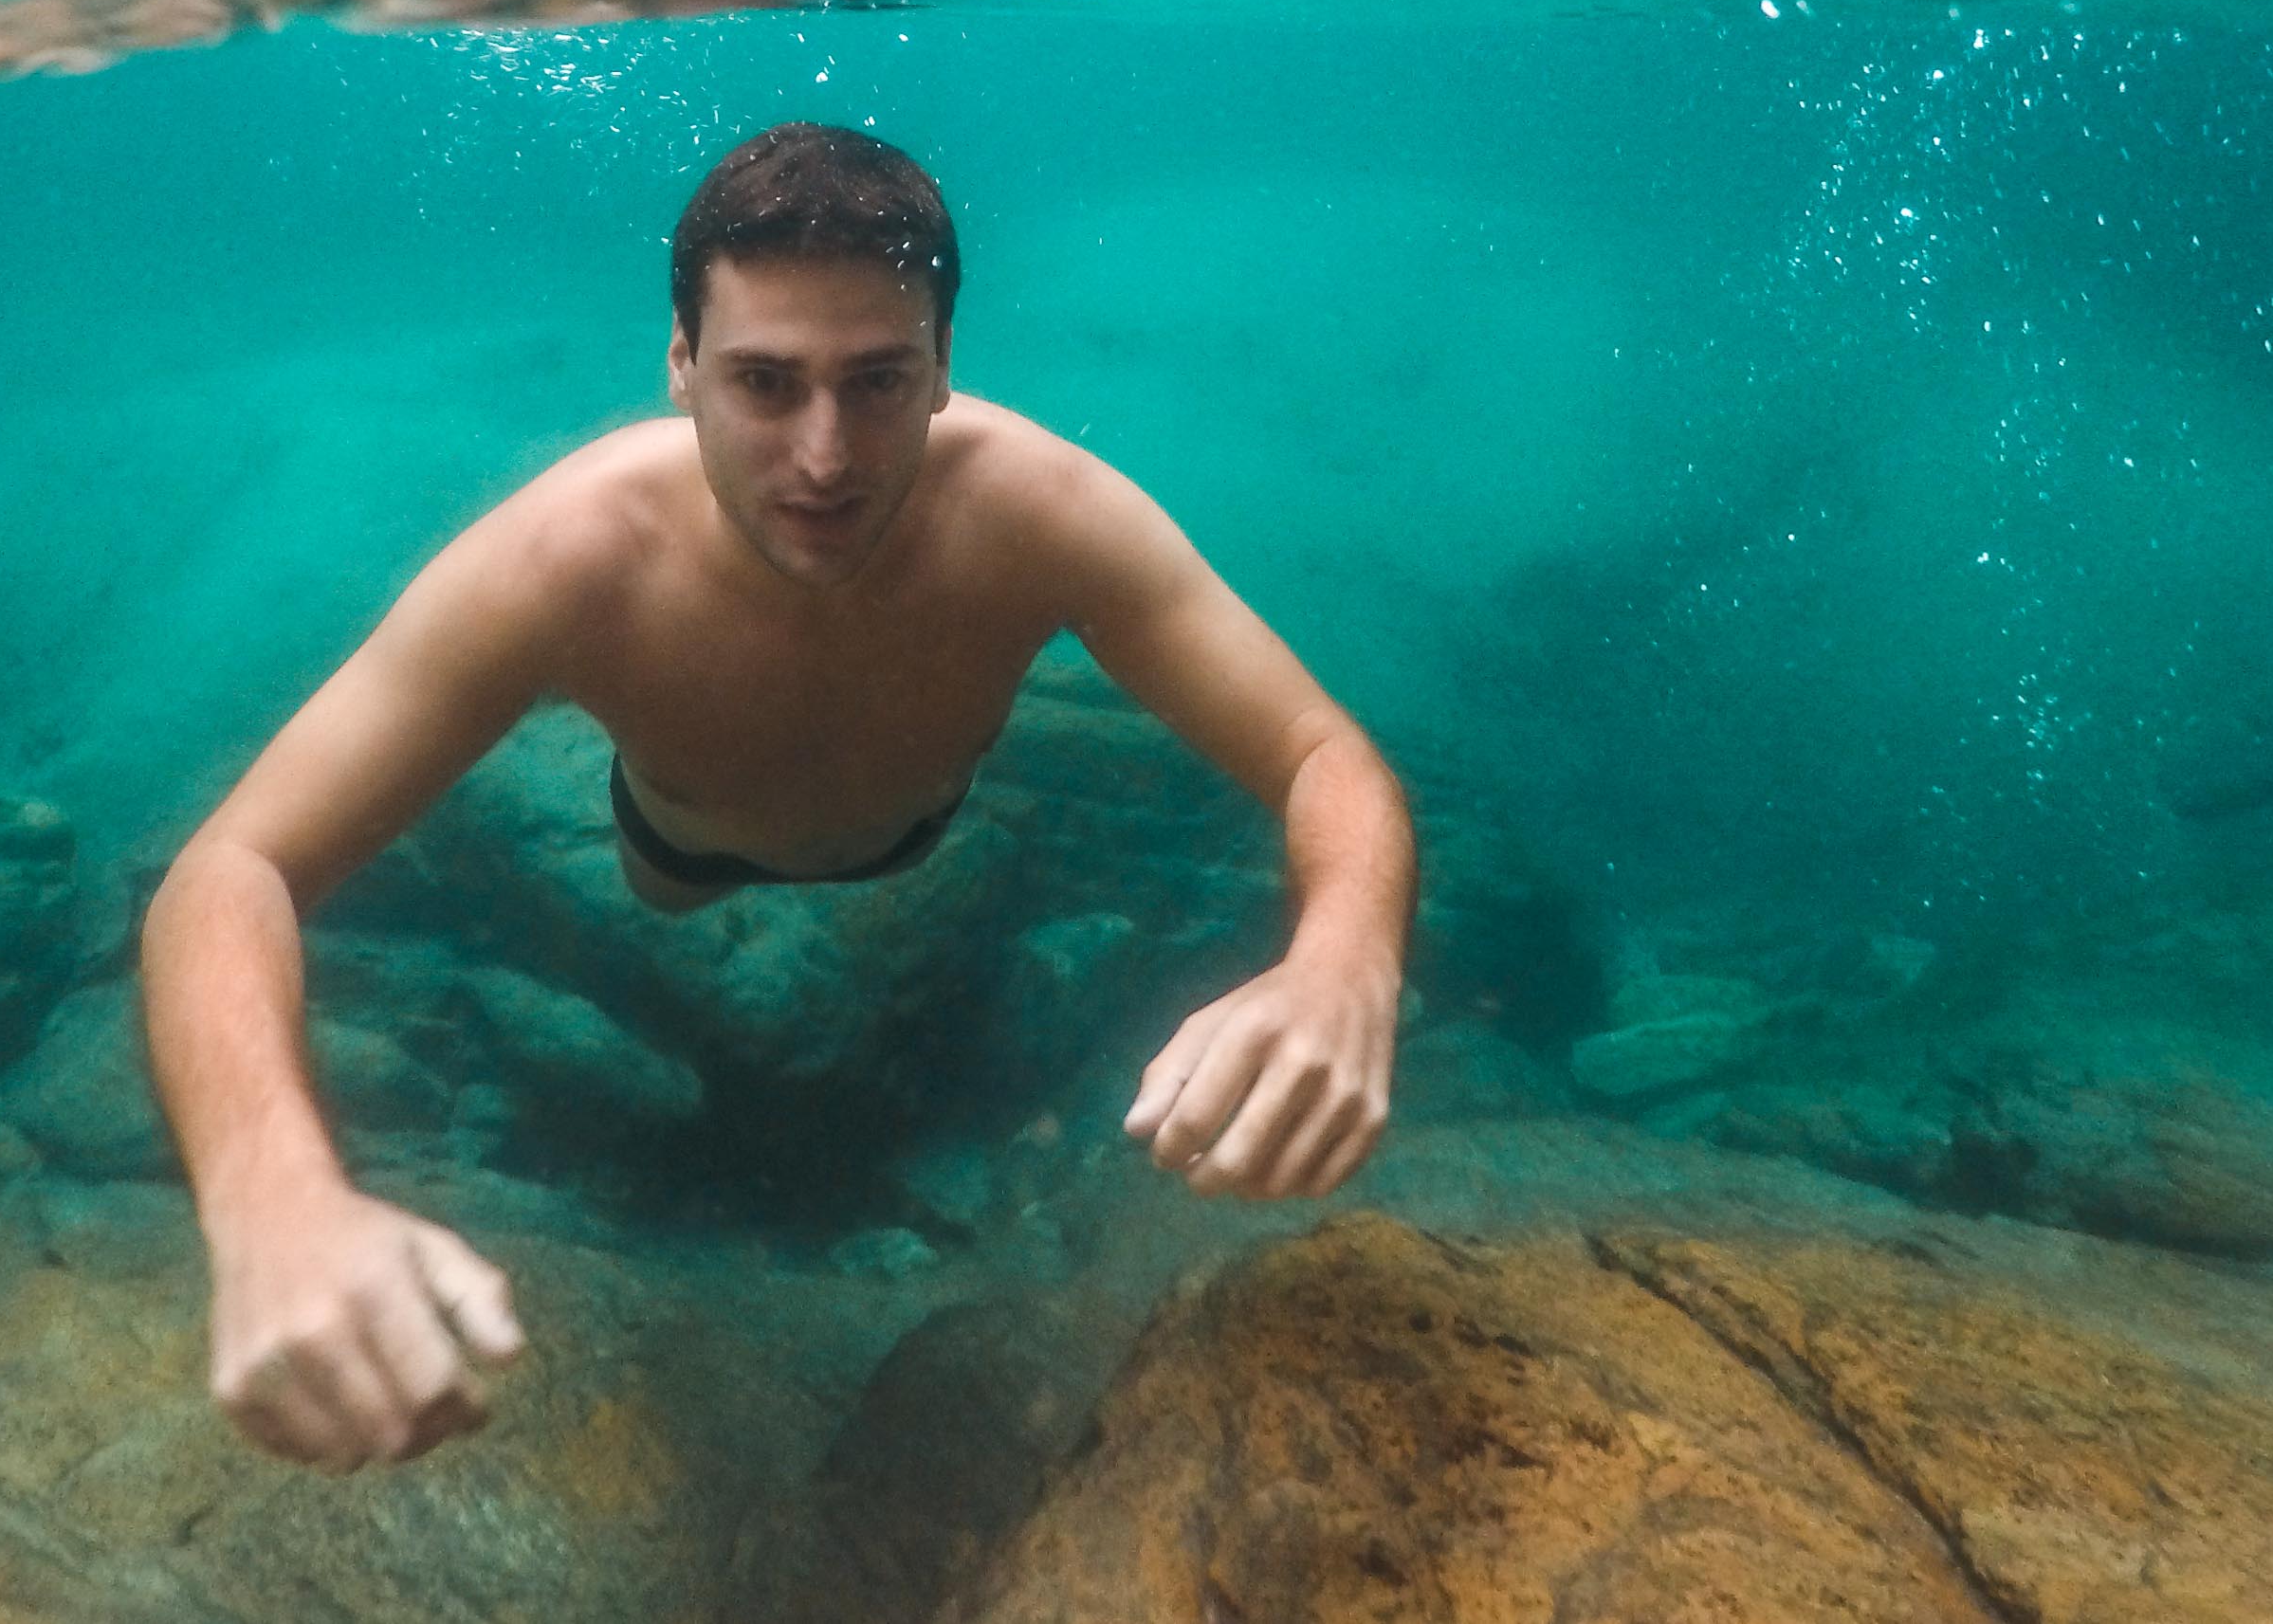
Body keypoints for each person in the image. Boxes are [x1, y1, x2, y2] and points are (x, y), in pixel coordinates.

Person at [140, 122, 1417, 1473]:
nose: (824, 456)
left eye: (877, 382)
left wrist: (1346, 962)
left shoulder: (1047, 513)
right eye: (764, 382)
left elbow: (1321, 751)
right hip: (676, 843)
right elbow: (231, 869)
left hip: (924, 822)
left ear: (942, 376)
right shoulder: (565, 558)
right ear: (679, 368)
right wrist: (268, 1194)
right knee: (668, 878)